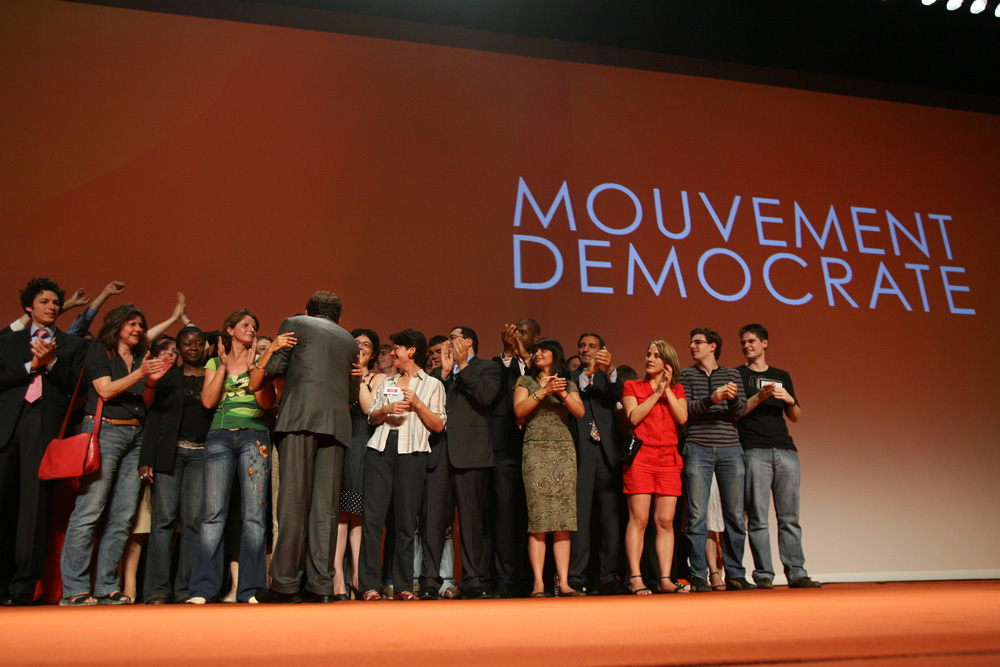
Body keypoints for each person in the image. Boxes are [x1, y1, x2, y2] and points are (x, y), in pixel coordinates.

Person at [251, 291, 358, 604]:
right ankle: (321, 587)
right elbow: (352, 395)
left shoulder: (296, 324)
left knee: (294, 502)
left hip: (300, 418)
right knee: (325, 508)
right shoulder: (350, 341)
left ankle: (284, 585)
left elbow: (272, 370)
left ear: (308, 312)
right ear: (338, 317)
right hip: (337, 425)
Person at [60, 304, 168, 605]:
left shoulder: (140, 358)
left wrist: (149, 381)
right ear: (117, 326)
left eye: (140, 325)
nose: (137, 329)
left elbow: (145, 402)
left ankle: (107, 585)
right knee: (90, 509)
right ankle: (74, 589)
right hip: (105, 431)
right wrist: (140, 373)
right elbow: (105, 392)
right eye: (131, 323)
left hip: (136, 434)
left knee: (122, 516)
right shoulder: (99, 352)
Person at [0, 278, 87, 606]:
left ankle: (22, 589)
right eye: (44, 302)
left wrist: (50, 363)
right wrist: (30, 366)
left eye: (55, 302)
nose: (51, 307)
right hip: (7, 427)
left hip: (44, 430)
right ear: (28, 307)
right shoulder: (8, 342)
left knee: (34, 510)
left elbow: (77, 388)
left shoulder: (72, 346)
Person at [187, 310, 277, 604]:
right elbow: (209, 401)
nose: (252, 329)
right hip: (220, 436)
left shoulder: (261, 362)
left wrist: (254, 369)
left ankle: (250, 589)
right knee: (213, 514)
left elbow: (265, 403)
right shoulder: (214, 362)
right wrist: (225, 368)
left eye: (255, 325)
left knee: (254, 515)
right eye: (246, 325)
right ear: (230, 329)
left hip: (255, 436)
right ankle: (203, 588)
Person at [359, 329, 446, 601]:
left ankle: (404, 585)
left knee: (406, 522)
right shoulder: (387, 382)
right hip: (381, 451)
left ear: (411, 351)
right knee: (373, 520)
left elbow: (439, 425)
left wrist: (416, 403)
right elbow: (372, 418)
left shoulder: (433, 385)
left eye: (397, 347)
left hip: (413, 454)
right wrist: (386, 410)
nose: (392, 352)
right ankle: (369, 585)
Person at [737, 323, 820, 589]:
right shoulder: (737, 375)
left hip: (785, 451)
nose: (747, 346)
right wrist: (759, 397)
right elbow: (736, 413)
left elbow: (795, 417)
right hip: (753, 450)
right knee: (758, 518)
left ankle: (797, 572)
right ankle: (763, 574)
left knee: (789, 517)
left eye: (751, 341)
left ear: (764, 343)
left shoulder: (781, 375)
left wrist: (790, 400)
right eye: (743, 343)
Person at [420, 326, 501, 600]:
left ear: (467, 342)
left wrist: (463, 366)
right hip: (439, 452)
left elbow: (486, 397)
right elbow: (431, 404)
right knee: (434, 520)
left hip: (471, 453)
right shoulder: (438, 373)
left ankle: (473, 578)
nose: (448, 342)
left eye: (453, 337)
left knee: (471, 520)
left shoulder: (488, 368)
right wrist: (443, 374)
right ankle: (429, 579)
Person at [137, 327, 213, 603]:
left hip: (201, 455)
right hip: (170, 455)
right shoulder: (167, 378)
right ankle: (156, 590)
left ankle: (184, 590)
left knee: (193, 523)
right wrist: (146, 459)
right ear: (178, 348)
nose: (193, 347)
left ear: (206, 347)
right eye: (186, 343)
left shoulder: (214, 377)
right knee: (163, 522)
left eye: (198, 343)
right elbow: (153, 419)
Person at [678, 328, 752, 593]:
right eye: (691, 342)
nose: (691, 345)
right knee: (697, 516)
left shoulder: (731, 374)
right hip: (698, 447)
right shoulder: (685, 375)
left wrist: (731, 399)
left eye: (697, 342)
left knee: (734, 515)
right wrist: (713, 398)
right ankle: (698, 574)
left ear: (712, 347)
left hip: (731, 449)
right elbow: (685, 412)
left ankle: (735, 573)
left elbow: (741, 411)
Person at [512, 338, 586, 598]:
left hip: (563, 450)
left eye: (544, 350)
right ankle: (539, 585)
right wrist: (542, 392)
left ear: (556, 354)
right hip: (535, 450)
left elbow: (579, 412)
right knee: (539, 520)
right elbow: (519, 411)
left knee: (563, 520)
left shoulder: (568, 382)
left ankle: (564, 583)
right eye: (535, 351)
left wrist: (561, 392)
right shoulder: (526, 382)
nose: (538, 354)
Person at [621, 341, 690, 595]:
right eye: (648, 354)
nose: (650, 358)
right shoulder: (632, 386)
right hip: (641, 457)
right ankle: (636, 577)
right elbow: (633, 417)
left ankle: (664, 578)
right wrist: (655, 394)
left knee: (665, 520)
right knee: (639, 520)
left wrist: (666, 390)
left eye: (657, 356)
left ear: (668, 364)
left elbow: (682, 418)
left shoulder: (678, 390)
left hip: (668, 460)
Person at [332, 328, 386, 600]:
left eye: (367, 344)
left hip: (363, 440)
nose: (361, 347)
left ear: (374, 353)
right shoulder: (336, 372)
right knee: (340, 511)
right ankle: (337, 578)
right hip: (338, 438)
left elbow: (368, 408)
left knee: (358, 512)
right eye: (356, 343)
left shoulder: (380, 378)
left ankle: (358, 576)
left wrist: (362, 375)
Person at [568, 333, 623, 595]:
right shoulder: (571, 377)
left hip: (606, 453)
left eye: (592, 347)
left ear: (603, 350)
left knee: (609, 519)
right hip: (582, 452)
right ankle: (577, 576)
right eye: (582, 346)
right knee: (580, 518)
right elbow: (577, 391)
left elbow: (617, 394)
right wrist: (588, 372)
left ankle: (608, 575)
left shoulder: (608, 377)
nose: (586, 350)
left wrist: (609, 369)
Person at [490, 318, 540, 598]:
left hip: (539, 448)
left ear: (537, 337)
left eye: (523, 333)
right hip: (505, 448)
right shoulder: (498, 365)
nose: (517, 336)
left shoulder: (543, 364)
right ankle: (506, 581)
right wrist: (508, 354)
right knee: (506, 515)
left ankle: (535, 580)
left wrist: (525, 356)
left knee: (536, 517)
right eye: (514, 332)